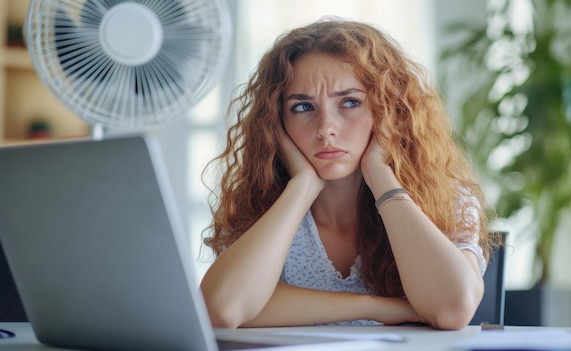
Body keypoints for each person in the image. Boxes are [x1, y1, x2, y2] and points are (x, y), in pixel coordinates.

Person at [200, 17, 497, 330]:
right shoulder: (258, 202)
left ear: (390, 112)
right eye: (302, 107)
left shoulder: (447, 199)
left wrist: (380, 176)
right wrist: (302, 188)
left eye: (351, 102)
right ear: (275, 123)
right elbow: (221, 309)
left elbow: (452, 308)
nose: (326, 128)